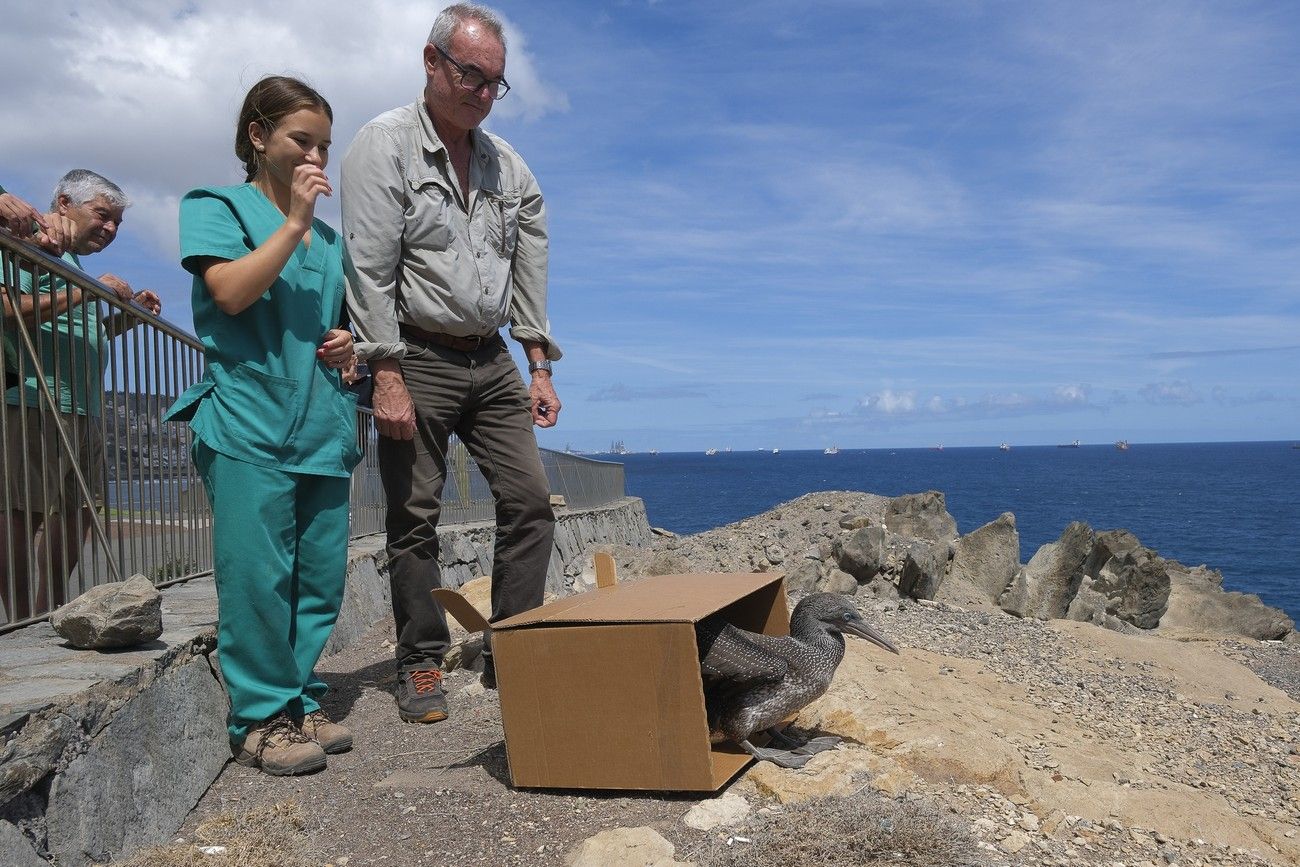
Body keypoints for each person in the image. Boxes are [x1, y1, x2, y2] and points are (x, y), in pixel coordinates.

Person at [342, 2, 561, 724]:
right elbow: (368, 270)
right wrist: (387, 373)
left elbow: (530, 263)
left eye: (496, 82)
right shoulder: (384, 147)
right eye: (471, 74)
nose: (483, 92)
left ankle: (515, 648)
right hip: (416, 351)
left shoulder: (510, 167)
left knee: (529, 501)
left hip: (491, 356)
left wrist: (538, 364)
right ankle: (421, 663)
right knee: (413, 517)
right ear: (432, 62)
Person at [163, 76, 361, 775]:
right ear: (258, 137)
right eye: (301, 140)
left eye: (324, 145)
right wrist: (296, 224)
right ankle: (259, 720)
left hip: (319, 426)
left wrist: (348, 348)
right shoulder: (215, 207)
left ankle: (298, 696)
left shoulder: (332, 244)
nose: (316, 155)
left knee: (317, 579)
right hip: (249, 422)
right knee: (257, 578)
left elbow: (330, 326)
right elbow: (233, 291)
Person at [1, 170, 161, 623]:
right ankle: (17, 616)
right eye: (103, 216)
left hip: (82, 406)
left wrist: (126, 319)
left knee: (78, 511)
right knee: (20, 510)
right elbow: (9, 310)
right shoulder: (25, 243)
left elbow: (79, 331)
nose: (109, 230)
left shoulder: (69, 265)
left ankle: (49, 605)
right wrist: (89, 291)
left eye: (117, 224)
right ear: (65, 202)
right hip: (33, 398)